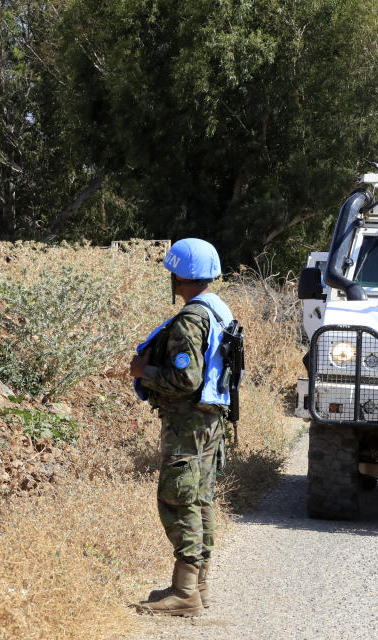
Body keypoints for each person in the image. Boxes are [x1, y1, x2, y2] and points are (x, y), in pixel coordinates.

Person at [130, 238, 234, 616]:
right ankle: (197, 586)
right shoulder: (219, 309)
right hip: (210, 420)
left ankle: (185, 593)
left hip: (188, 423)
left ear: (179, 277)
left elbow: (186, 379)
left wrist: (145, 371)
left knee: (177, 499)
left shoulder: (192, 318)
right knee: (201, 499)